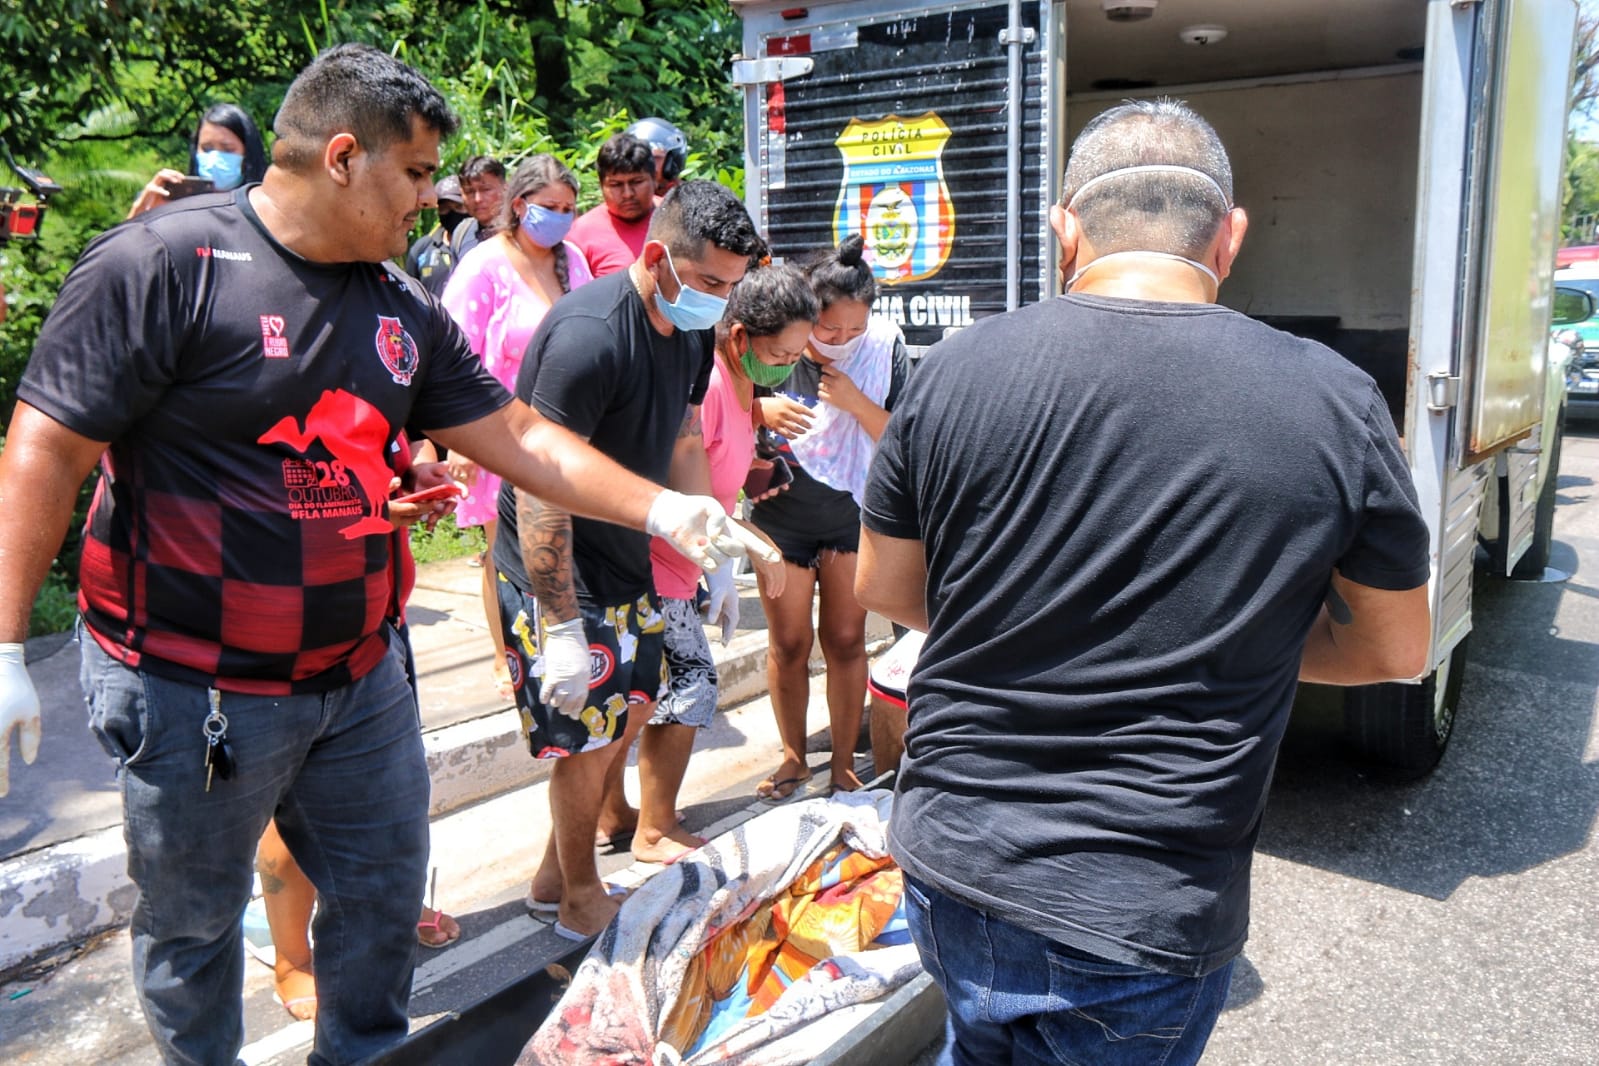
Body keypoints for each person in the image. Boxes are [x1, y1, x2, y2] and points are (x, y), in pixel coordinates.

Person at [0, 44, 761, 1066]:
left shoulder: (397, 303)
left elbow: (521, 438)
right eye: (415, 175)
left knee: (382, 900)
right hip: (200, 688)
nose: (433, 199)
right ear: (345, 156)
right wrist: (7, 645)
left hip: (361, 680)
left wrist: (665, 509)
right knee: (195, 917)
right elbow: (47, 448)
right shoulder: (163, 265)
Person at [854, 98, 1432, 1066]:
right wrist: (1222, 641)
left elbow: (887, 583)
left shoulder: (954, 370)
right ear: (1231, 235)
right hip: (1142, 908)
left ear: (1064, 228)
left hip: (948, 860)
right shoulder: (1335, 399)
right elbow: (1395, 648)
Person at [494, 180, 766, 938]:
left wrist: (707, 543)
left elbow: (682, 435)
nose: (721, 300)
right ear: (656, 257)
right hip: (556, 561)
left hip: (627, 554)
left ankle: (555, 873)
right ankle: (579, 894)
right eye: (710, 282)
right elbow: (540, 478)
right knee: (583, 736)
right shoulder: (588, 336)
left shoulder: (686, 331)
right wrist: (560, 626)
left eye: (733, 286)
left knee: (629, 711)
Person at [629, 265, 815, 865]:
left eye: (796, 355)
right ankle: (654, 828)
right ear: (739, 339)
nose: (787, 366)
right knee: (691, 688)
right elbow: (685, 490)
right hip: (656, 566)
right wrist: (758, 551)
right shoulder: (707, 388)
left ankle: (615, 813)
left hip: (687, 564)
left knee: (635, 705)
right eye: (779, 353)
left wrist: (760, 415)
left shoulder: (740, 390)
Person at [748, 235, 911, 801]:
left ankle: (843, 763)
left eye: (853, 332)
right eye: (826, 330)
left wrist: (854, 401)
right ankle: (794, 758)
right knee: (788, 643)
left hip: (850, 514)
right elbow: (719, 412)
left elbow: (901, 439)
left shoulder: (885, 348)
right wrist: (758, 411)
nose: (839, 342)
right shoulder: (772, 341)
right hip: (780, 515)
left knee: (845, 640)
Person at [440, 154, 593, 700]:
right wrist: (461, 440)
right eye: (550, 208)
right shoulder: (483, 265)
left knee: (561, 541)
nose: (561, 219)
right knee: (502, 550)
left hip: (565, 432)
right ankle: (510, 655)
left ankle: (563, 642)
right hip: (496, 434)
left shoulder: (573, 259)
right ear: (521, 205)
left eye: (570, 209)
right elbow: (454, 352)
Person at [127, 102, 269, 218]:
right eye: (206, 149)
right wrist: (139, 214)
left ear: (248, 154)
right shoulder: (174, 203)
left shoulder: (266, 210)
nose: (214, 158)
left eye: (227, 149)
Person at [568, 133, 657, 278]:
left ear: (654, 179)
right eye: (616, 185)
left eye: (637, 182)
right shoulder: (579, 235)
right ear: (602, 186)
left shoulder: (678, 218)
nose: (628, 194)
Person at [404, 174, 469, 297]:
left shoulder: (483, 246)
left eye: (458, 207)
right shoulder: (422, 249)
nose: (451, 213)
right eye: (445, 208)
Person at [451, 154, 508, 258]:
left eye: (486, 189)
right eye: (470, 191)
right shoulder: (461, 234)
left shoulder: (523, 233)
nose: (478, 199)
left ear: (505, 188)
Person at [627, 116, 689, 199]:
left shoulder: (690, 199)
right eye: (637, 158)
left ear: (671, 163)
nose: (645, 165)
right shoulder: (624, 201)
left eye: (654, 158)